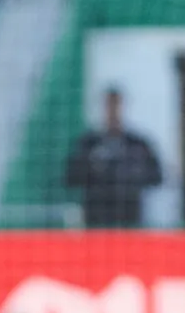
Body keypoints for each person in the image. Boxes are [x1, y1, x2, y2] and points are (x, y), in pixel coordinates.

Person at [64, 88, 163, 228]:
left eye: (116, 104)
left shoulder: (138, 144)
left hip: (130, 221)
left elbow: (157, 177)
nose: (113, 110)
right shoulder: (88, 144)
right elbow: (71, 177)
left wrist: (130, 175)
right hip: (96, 221)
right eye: (108, 104)